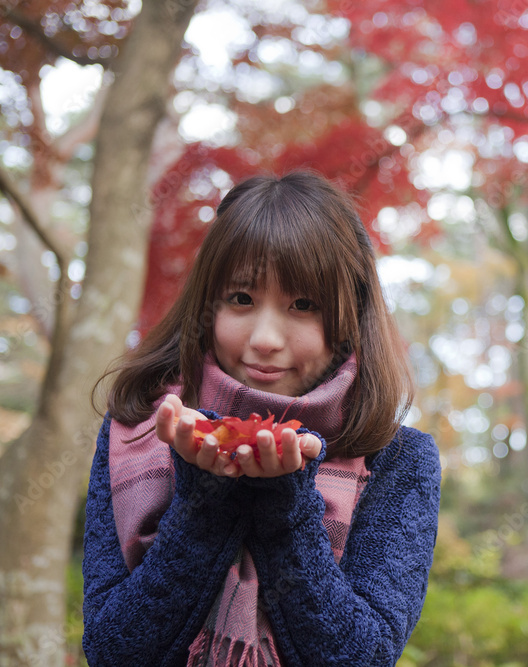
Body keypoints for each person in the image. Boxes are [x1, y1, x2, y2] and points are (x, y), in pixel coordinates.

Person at [82, 170, 442, 666]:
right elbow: (111, 651)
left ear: (349, 318)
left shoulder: (398, 461)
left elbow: (363, 656)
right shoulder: (136, 430)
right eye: (241, 299)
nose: (266, 339)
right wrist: (204, 498)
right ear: (207, 305)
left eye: (303, 305)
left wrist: (285, 502)